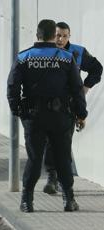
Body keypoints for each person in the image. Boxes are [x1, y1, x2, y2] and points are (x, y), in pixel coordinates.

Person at [7, 19, 87, 212]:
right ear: (54, 36)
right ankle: (69, 200)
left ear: (37, 35)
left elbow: (12, 87)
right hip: (61, 117)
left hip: (33, 116)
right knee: (62, 158)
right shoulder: (67, 58)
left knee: (34, 158)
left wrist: (17, 110)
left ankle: (27, 201)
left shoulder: (24, 57)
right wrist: (81, 114)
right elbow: (77, 89)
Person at [43, 22, 103, 194]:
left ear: (69, 36)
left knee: (64, 143)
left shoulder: (77, 52)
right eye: (57, 35)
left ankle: (63, 180)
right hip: (48, 105)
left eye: (64, 35)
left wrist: (85, 87)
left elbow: (97, 69)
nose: (60, 39)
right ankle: (51, 178)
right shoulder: (46, 52)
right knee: (49, 142)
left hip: (69, 105)